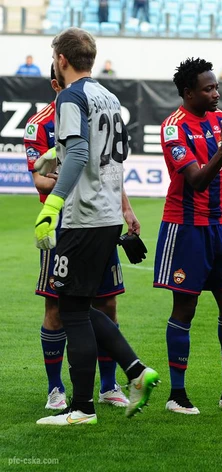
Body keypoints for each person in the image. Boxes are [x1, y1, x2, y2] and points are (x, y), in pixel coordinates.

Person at [34, 27, 159, 426]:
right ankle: (135, 371)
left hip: (82, 216)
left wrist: (53, 204)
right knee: (83, 305)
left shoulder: (70, 96)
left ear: (62, 59)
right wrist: (56, 151)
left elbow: (81, 151)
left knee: (71, 310)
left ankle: (82, 408)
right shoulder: (108, 96)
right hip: (106, 216)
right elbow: (110, 154)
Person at [155, 57, 222, 415]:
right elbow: (198, 180)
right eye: (208, 89)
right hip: (185, 229)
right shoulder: (173, 128)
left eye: (217, 87)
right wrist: (221, 151)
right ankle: (177, 394)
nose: (216, 93)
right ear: (189, 92)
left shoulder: (220, 121)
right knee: (185, 308)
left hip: (219, 229)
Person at [26, 64, 130, 412]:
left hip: (98, 217)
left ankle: (109, 385)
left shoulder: (92, 104)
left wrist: (125, 207)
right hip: (61, 223)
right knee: (57, 306)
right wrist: (69, 173)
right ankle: (56, 389)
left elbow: (106, 166)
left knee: (107, 303)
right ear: (56, 84)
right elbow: (39, 180)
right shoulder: (40, 123)